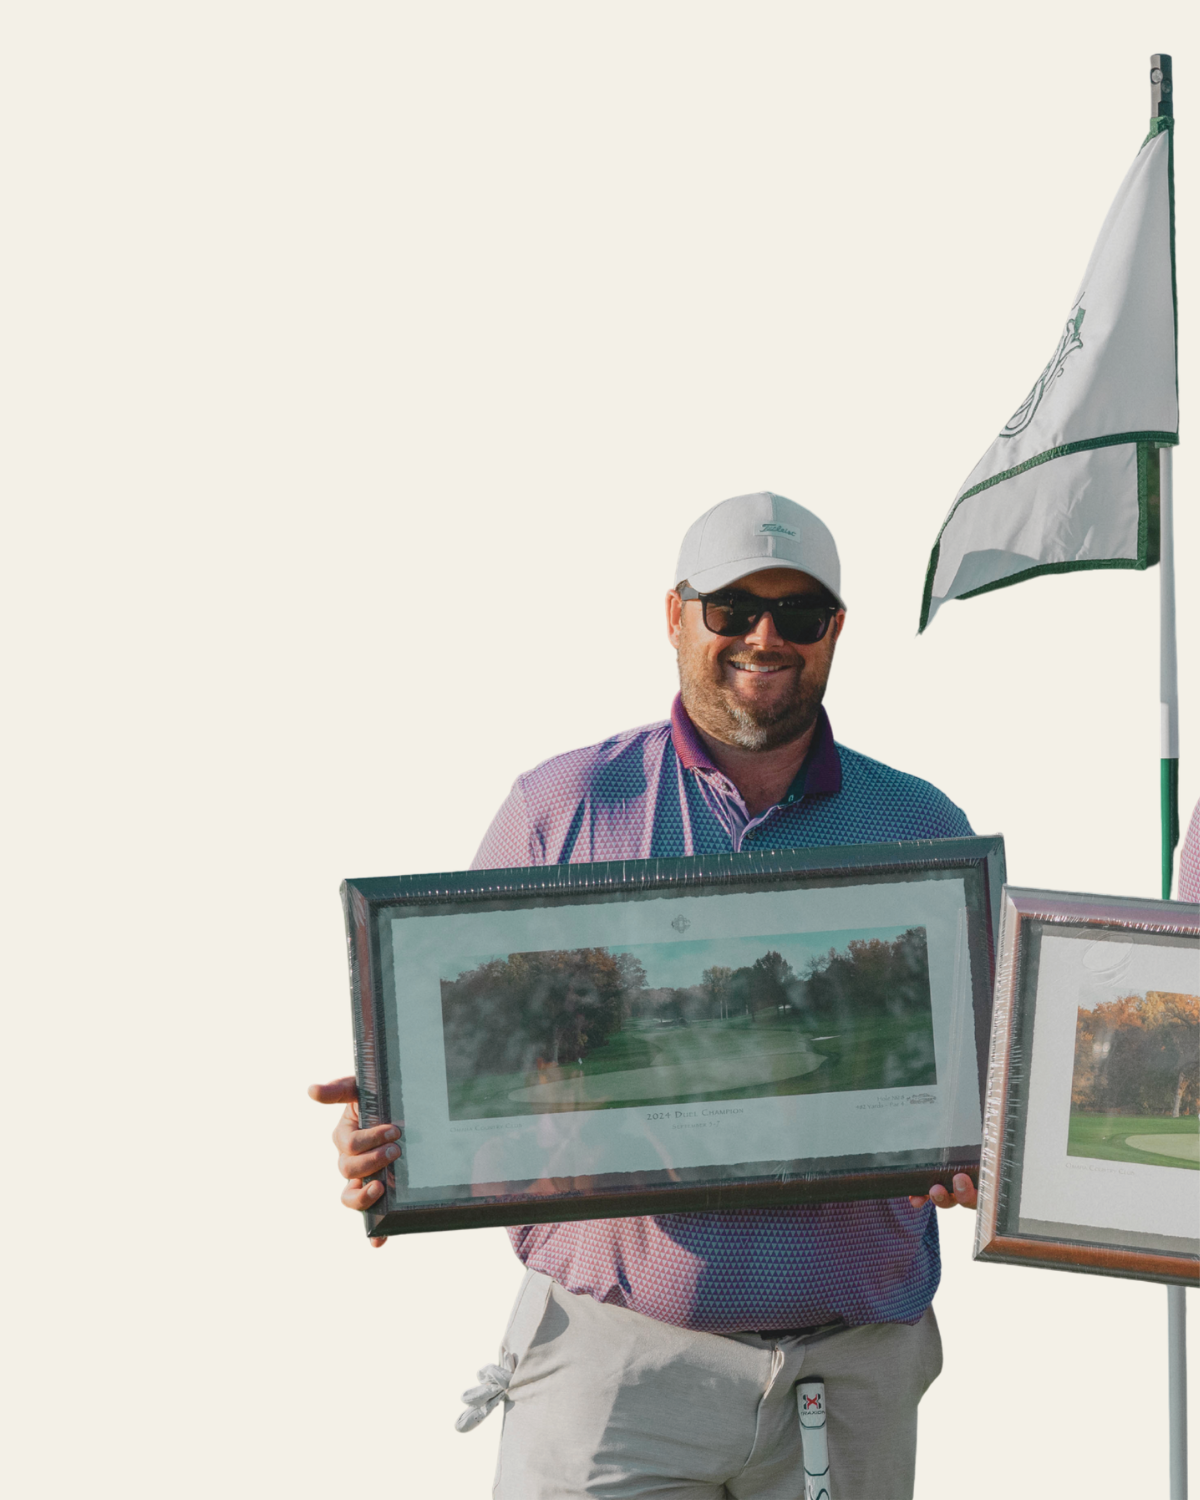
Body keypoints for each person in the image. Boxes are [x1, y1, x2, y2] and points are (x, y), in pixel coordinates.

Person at [312, 492, 978, 1500]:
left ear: (835, 631)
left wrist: (982, 1146)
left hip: (850, 1377)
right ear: (676, 616)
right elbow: (474, 1055)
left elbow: (989, 1070)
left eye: (799, 615)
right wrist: (400, 1140)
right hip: (615, 1370)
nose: (766, 636)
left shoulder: (922, 828)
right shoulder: (564, 804)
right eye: (733, 608)